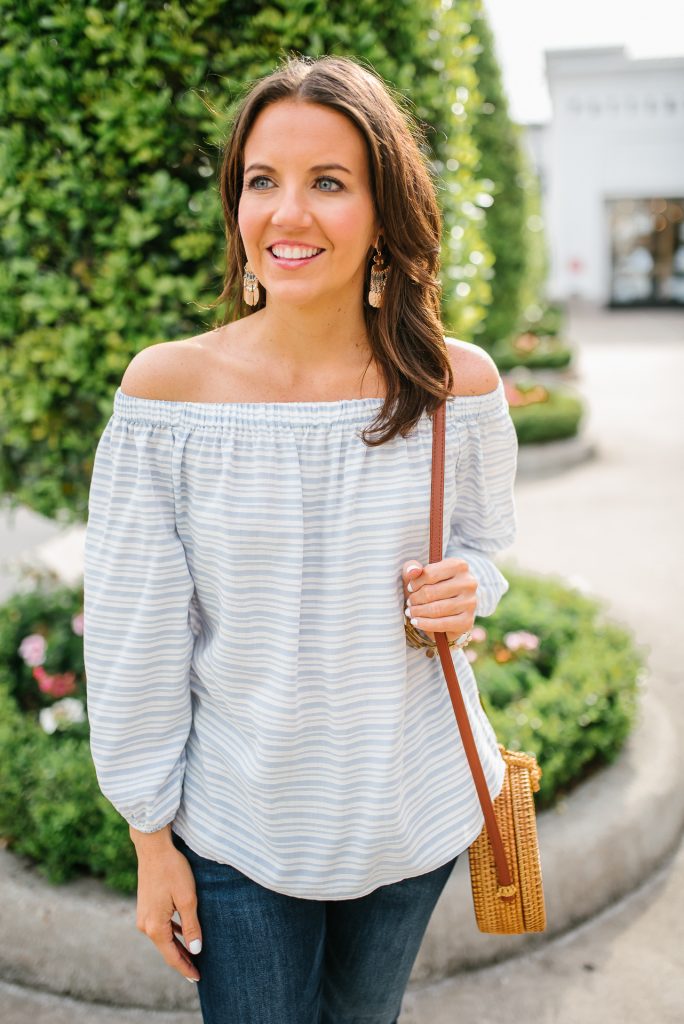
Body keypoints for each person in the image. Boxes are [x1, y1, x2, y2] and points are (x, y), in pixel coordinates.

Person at [83, 53, 518, 1024]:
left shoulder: (460, 385)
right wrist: (152, 840)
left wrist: (470, 587)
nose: (287, 214)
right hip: (242, 827)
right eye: (261, 181)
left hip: (415, 809)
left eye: (328, 182)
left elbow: (488, 547)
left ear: (383, 213)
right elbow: (132, 634)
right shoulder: (167, 393)